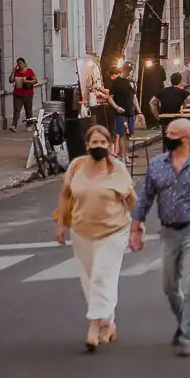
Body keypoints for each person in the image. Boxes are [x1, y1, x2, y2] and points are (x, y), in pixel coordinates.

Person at [130, 118, 190, 357]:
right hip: (169, 231)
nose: (166, 135)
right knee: (169, 286)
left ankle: (187, 335)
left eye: (172, 133)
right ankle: (184, 321)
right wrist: (135, 228)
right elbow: (144, 199)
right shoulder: (157, 165)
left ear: (186, 138)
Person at [53, 125, 136, 351]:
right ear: (87, 145)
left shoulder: (117, 168)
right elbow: (65, 194)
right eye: (94, 143)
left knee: (102, 277)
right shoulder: (77, 166)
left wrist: (138, 227)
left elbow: (131, 199)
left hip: (114, 230)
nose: (98, 147)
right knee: (90, 280)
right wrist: (61, 224)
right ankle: (108, 323)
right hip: (81, 231)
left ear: (109, 145)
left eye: (103, 143)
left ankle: (94, 326)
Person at [107, 62, 139, 159]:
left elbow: (134, 97)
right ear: (122, 70)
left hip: (130, 112)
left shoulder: (131, 82)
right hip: (120, 112)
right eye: (126, 70)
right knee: (122, 134)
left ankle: (126, 155)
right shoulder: (116, 81)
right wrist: (117, 107)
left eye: (129, 71)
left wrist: (139, 111)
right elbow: (110, 98)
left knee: (128, 135)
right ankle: (123, 157)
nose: (128, 72)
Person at [9, 58, 38, 131]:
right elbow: (11, 80)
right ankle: (14, 125)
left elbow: (35, 81)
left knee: (28, 110)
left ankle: (29, 125)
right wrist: (13, 71)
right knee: (16, 109)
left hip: (27, 94)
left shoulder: (29, 71)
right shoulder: (17, 72)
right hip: (17, 94)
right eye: (18, 63)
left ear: (24, 63)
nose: (19, 65)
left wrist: (27, 81)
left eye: (21, 63)